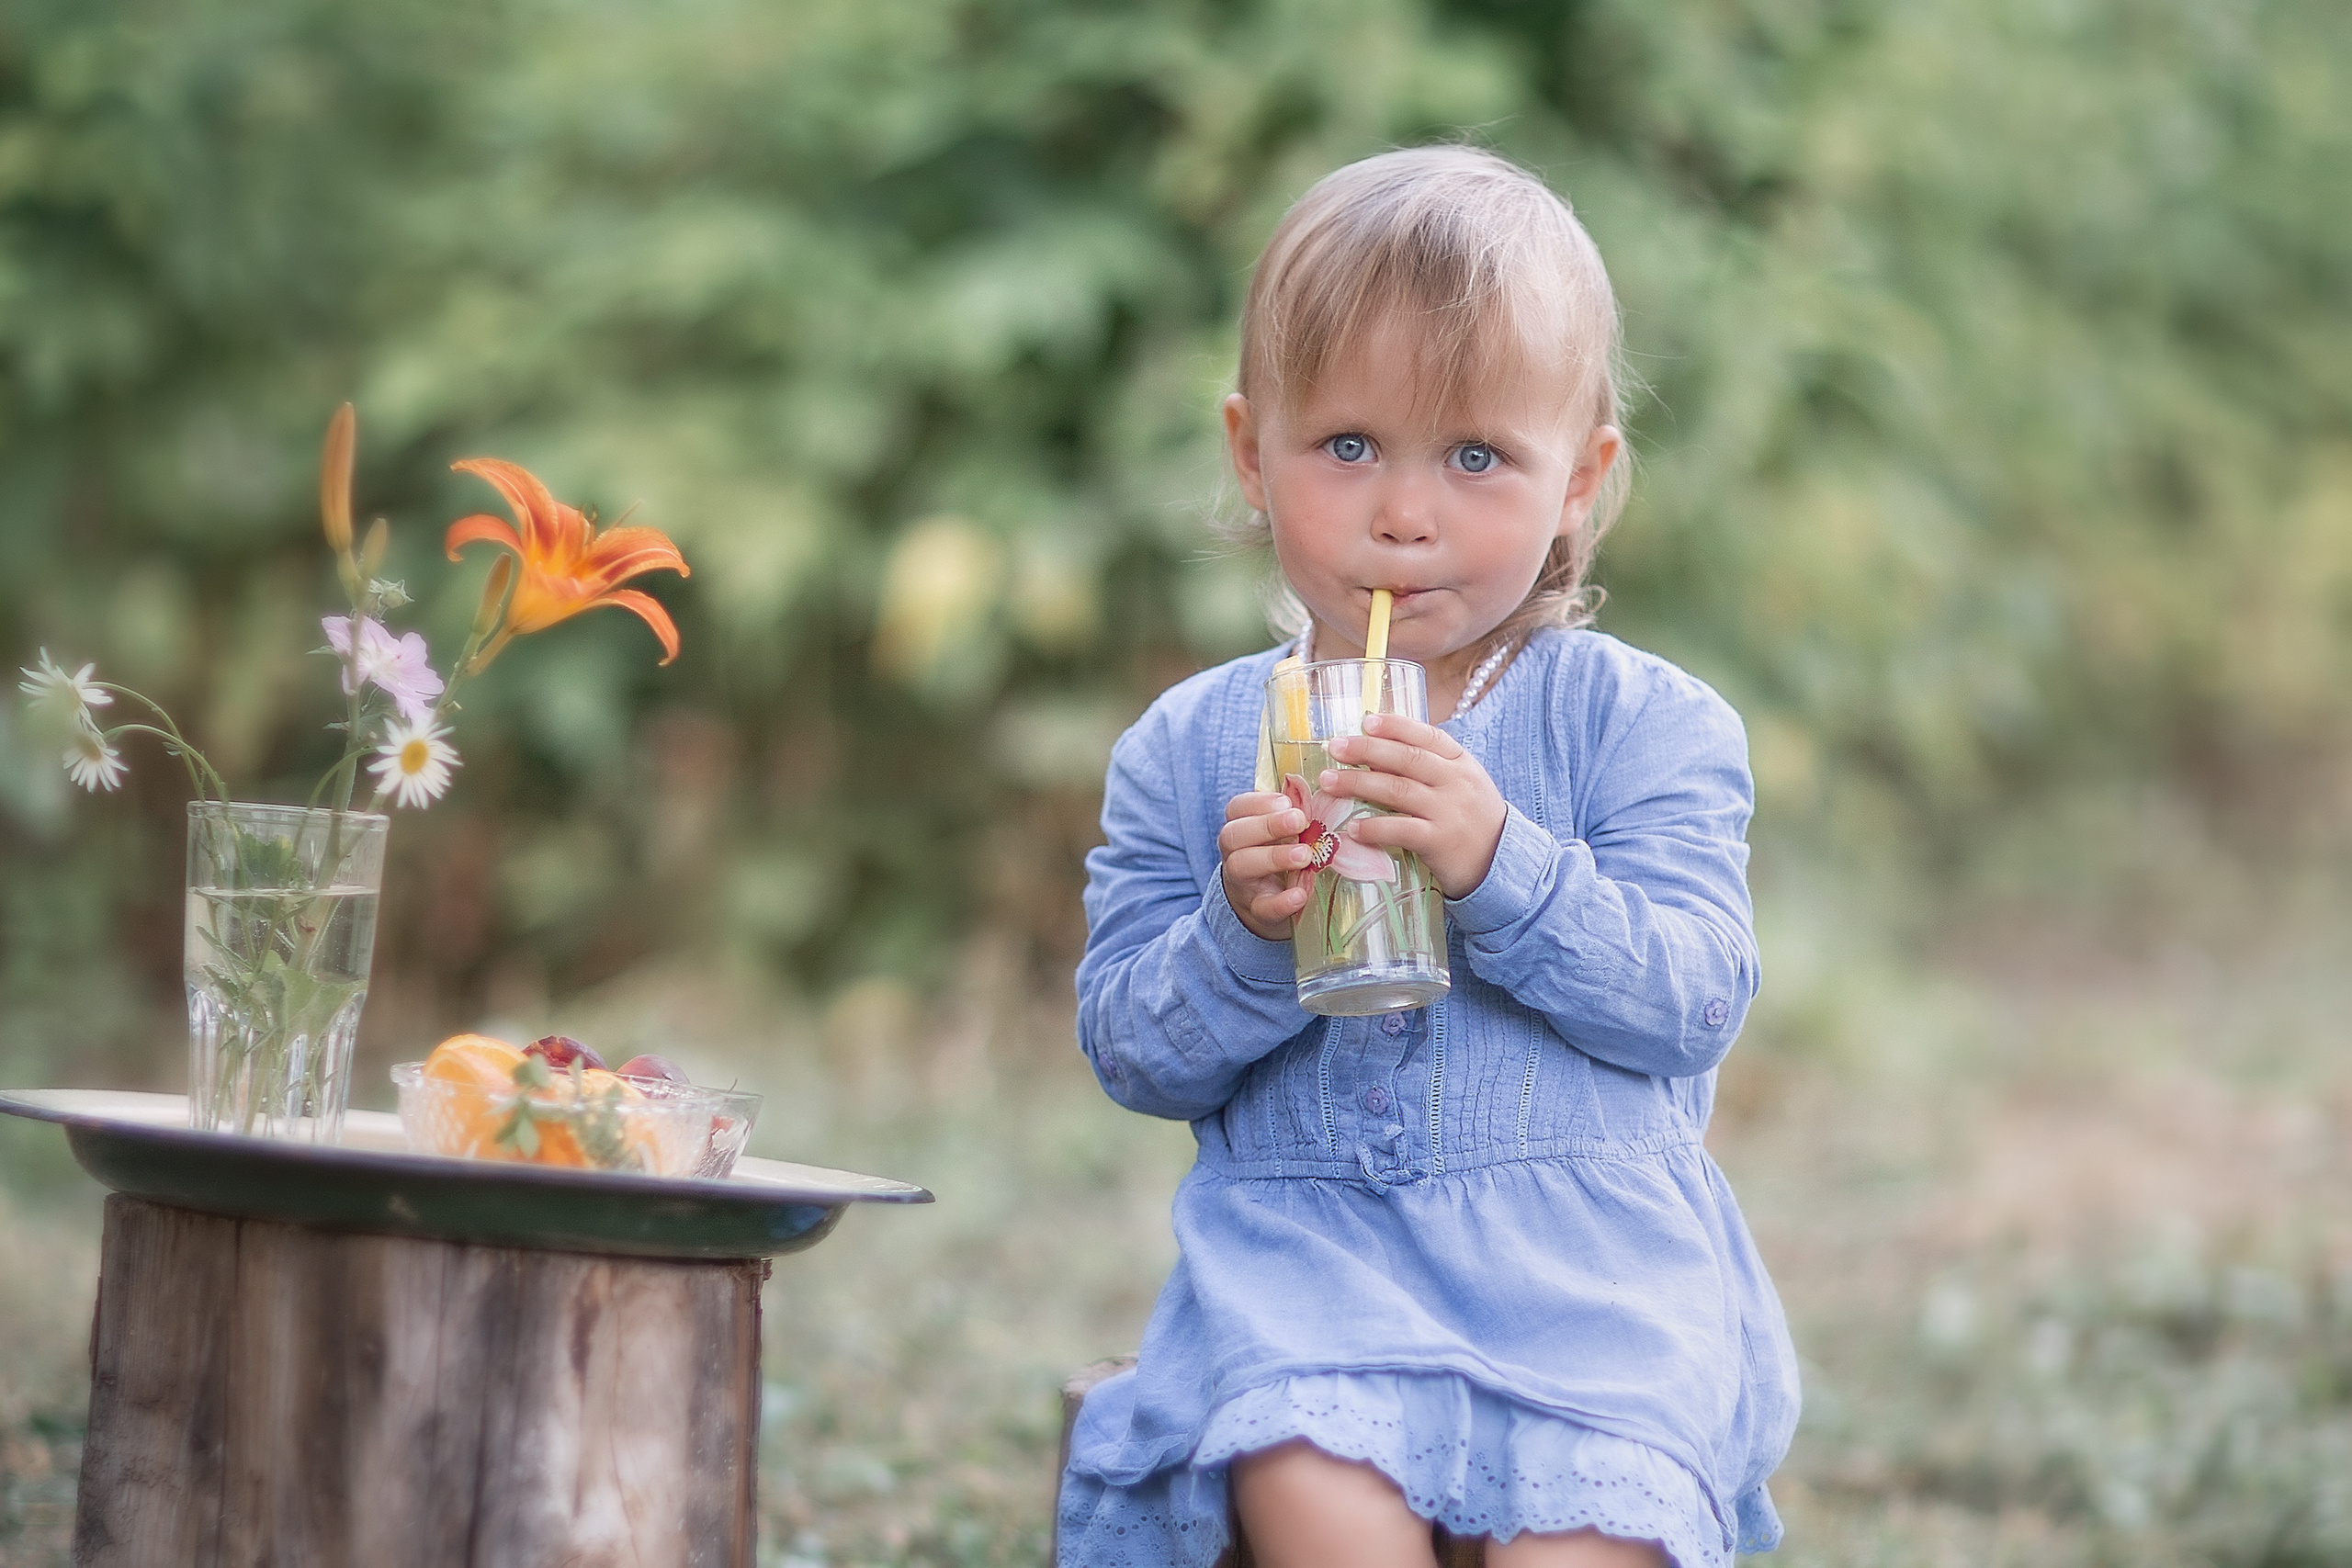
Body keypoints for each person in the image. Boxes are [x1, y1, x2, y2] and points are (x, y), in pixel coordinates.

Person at [1057, 145, 1800, 1568]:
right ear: (1248, 451)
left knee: (1586, 1537)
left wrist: (1500, 864)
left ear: (1580, 480)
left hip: (1596, 1286)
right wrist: (1242, 929)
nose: (1406, 513)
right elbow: (1131, 1052)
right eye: (1347, 446)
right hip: (1309, 1274)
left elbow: (1694, 1002)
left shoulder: (1645, 726)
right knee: (1319, 1497)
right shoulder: (1189, 745)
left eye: (1476, 456)